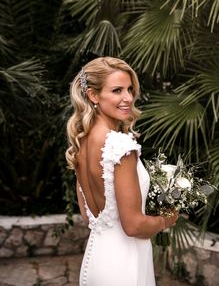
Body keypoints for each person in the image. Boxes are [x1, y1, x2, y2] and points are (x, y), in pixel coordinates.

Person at [65, 56, 178, 286]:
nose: (128, 98)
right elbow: (133, 225)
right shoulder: (121, 147)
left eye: (129, 89)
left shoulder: (80, 144)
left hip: (95, 261)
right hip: (125, 265)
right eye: (117, 90)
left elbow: (88, 215)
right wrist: (166, 220)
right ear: (93, 95)